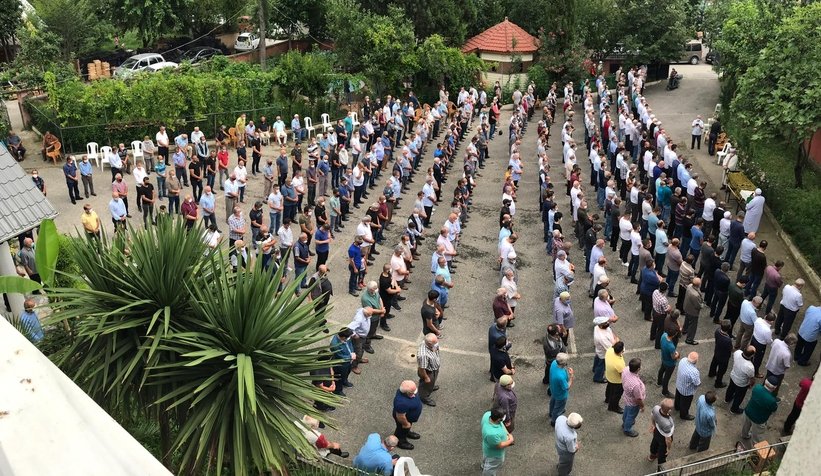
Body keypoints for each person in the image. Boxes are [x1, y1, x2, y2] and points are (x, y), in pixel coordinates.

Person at [742, 376, 779, 444]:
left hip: (748, 411)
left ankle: (744, 435)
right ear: (774, 388)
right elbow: (774, 410)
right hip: (759, 420)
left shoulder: (757, 387)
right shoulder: (772, 400)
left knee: (746, 426)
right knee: (757, 436)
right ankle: (754, 449)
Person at [481, 406, 514, 476]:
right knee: (490, 468)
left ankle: (483, 465)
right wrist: (510, 440)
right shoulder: (492, 434)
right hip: (494, 455)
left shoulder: (487, 415)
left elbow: (501, 425)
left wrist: (507, 434)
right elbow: (500, 445)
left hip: (487, 448)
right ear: (498, 419)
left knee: (486, 459)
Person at [392, 380, 423, 450]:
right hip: (405, 419)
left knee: (406, 428)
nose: (415, 393)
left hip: (409, 417)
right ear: (407, 393)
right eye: (413, 392)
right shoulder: (401, 403)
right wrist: (405, 424)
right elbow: (400, 416)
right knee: (401, 429)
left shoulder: (405, 393)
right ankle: (401, 441)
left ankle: (407, 432)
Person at [648, 398, 675, 471]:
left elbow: (652, 415)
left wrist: (653, 425)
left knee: (655, 442)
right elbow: (668, 439)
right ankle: (660, 470)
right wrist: (668, 448)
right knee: (662, 453)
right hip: (664, 436)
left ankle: (652, 456)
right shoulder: (667, 424)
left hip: (657, 430)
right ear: (669, 411)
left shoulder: (656, 408)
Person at [621, 358, 646, 437]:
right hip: (633, 403)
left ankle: (625, 422)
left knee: (627, 410)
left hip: (627, 398)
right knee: (631, 415)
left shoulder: (626, 369)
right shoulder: (636, 385)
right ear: (638, 369)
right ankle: (627, 429)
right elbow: (638, 398)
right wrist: (642, 406)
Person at [549, 352, 574, 426]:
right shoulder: (560, 377)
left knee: (553, 402)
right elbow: (567, 387)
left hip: (553, 389)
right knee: (558, 408)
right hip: (561, 395)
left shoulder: (554, 363)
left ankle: (551, 413)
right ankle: (554, 421)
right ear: (563, 364)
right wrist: (571, 376)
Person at [674, 352, 701, 419]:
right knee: (685, 404)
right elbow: (697, 383)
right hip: (687, 391)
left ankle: (677, 407)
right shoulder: (694, 372)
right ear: (696, 361)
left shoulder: (683, 360)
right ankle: (683, 415)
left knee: (678, 397)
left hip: (679, 384)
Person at [416, 333, 440, 407]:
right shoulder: (423, 355)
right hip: (428, 372)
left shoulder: (428, 343)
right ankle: (423, 397)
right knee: (425, 386)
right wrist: (426, 377)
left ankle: (431, 387)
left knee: (431, 382)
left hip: (433, 368)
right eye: (435, 342)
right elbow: (421, 368)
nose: (437, 343)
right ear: (429, 343)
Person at [708, 320, 734, 388]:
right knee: (721, 371)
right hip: (724, 357)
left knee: (714, 363)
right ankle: (718, 383)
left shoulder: (717, 331)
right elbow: (730, 349)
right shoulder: (728, 340)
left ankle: (711, 373)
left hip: (717, 351)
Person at [593, 316, 618, 383]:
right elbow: (610, 347)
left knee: (597, 359)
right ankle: (598, 378)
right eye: (605, 323)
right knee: (602, 366)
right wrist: (616, 340)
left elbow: (610, 331)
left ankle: (594, 369)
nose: (607, 323)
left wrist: (614, 337)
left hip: (599, 351)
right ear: (600, 325)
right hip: (604, 353)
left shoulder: (597, 328)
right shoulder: (602, 338)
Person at [605, 341, 626, 413]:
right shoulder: (619, 363)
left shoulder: (609, 350)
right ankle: (613, 407)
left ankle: (607, 399)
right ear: (621, 351)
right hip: (617, 381)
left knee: (609, 388)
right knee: (616, 395)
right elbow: (622, 374)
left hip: (609, 375)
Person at [658, 330, 680, 398]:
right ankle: (664, 391)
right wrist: (678, 355)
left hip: (664, 358)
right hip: (670, 363)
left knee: (661, 370)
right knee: (667, 377)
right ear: (673, 335)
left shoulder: (663, 335)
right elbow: (673, 357)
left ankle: (659, 381)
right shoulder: (671, 346)